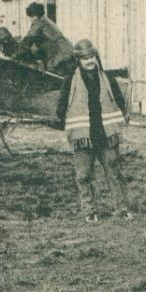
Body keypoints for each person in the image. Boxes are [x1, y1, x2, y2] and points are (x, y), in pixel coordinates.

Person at [55, 38, 134, 222]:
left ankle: (121, 209)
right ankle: (89, 211)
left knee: (114, 171)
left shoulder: (108, 79)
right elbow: (61, 107)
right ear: (78, 61)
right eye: (85, 58)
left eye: (92, 57)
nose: (90, 61)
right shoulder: (70, 82)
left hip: (106, 135)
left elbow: (119, 102)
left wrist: (120, 117)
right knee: (83, 175)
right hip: (83, 137)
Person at [15, 2, 76, 74]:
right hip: (66, 47)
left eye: (30, 17)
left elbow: (30, 36)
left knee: (53, 71)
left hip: (61, 50)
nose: (30, 20)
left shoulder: (39, 22)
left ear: (34, 16)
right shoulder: (45, 19)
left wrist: (17, 49)